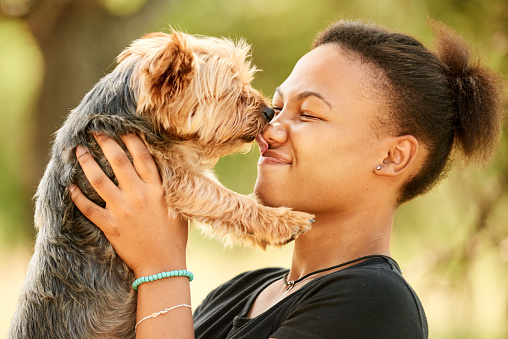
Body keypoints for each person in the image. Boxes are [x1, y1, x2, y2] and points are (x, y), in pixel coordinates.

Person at [69, 19, 503, 338]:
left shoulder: (374, 305)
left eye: (309, 114)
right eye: (276, 107)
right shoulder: (241, 291)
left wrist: (160, 265)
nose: (268, 128)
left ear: (393, 157)